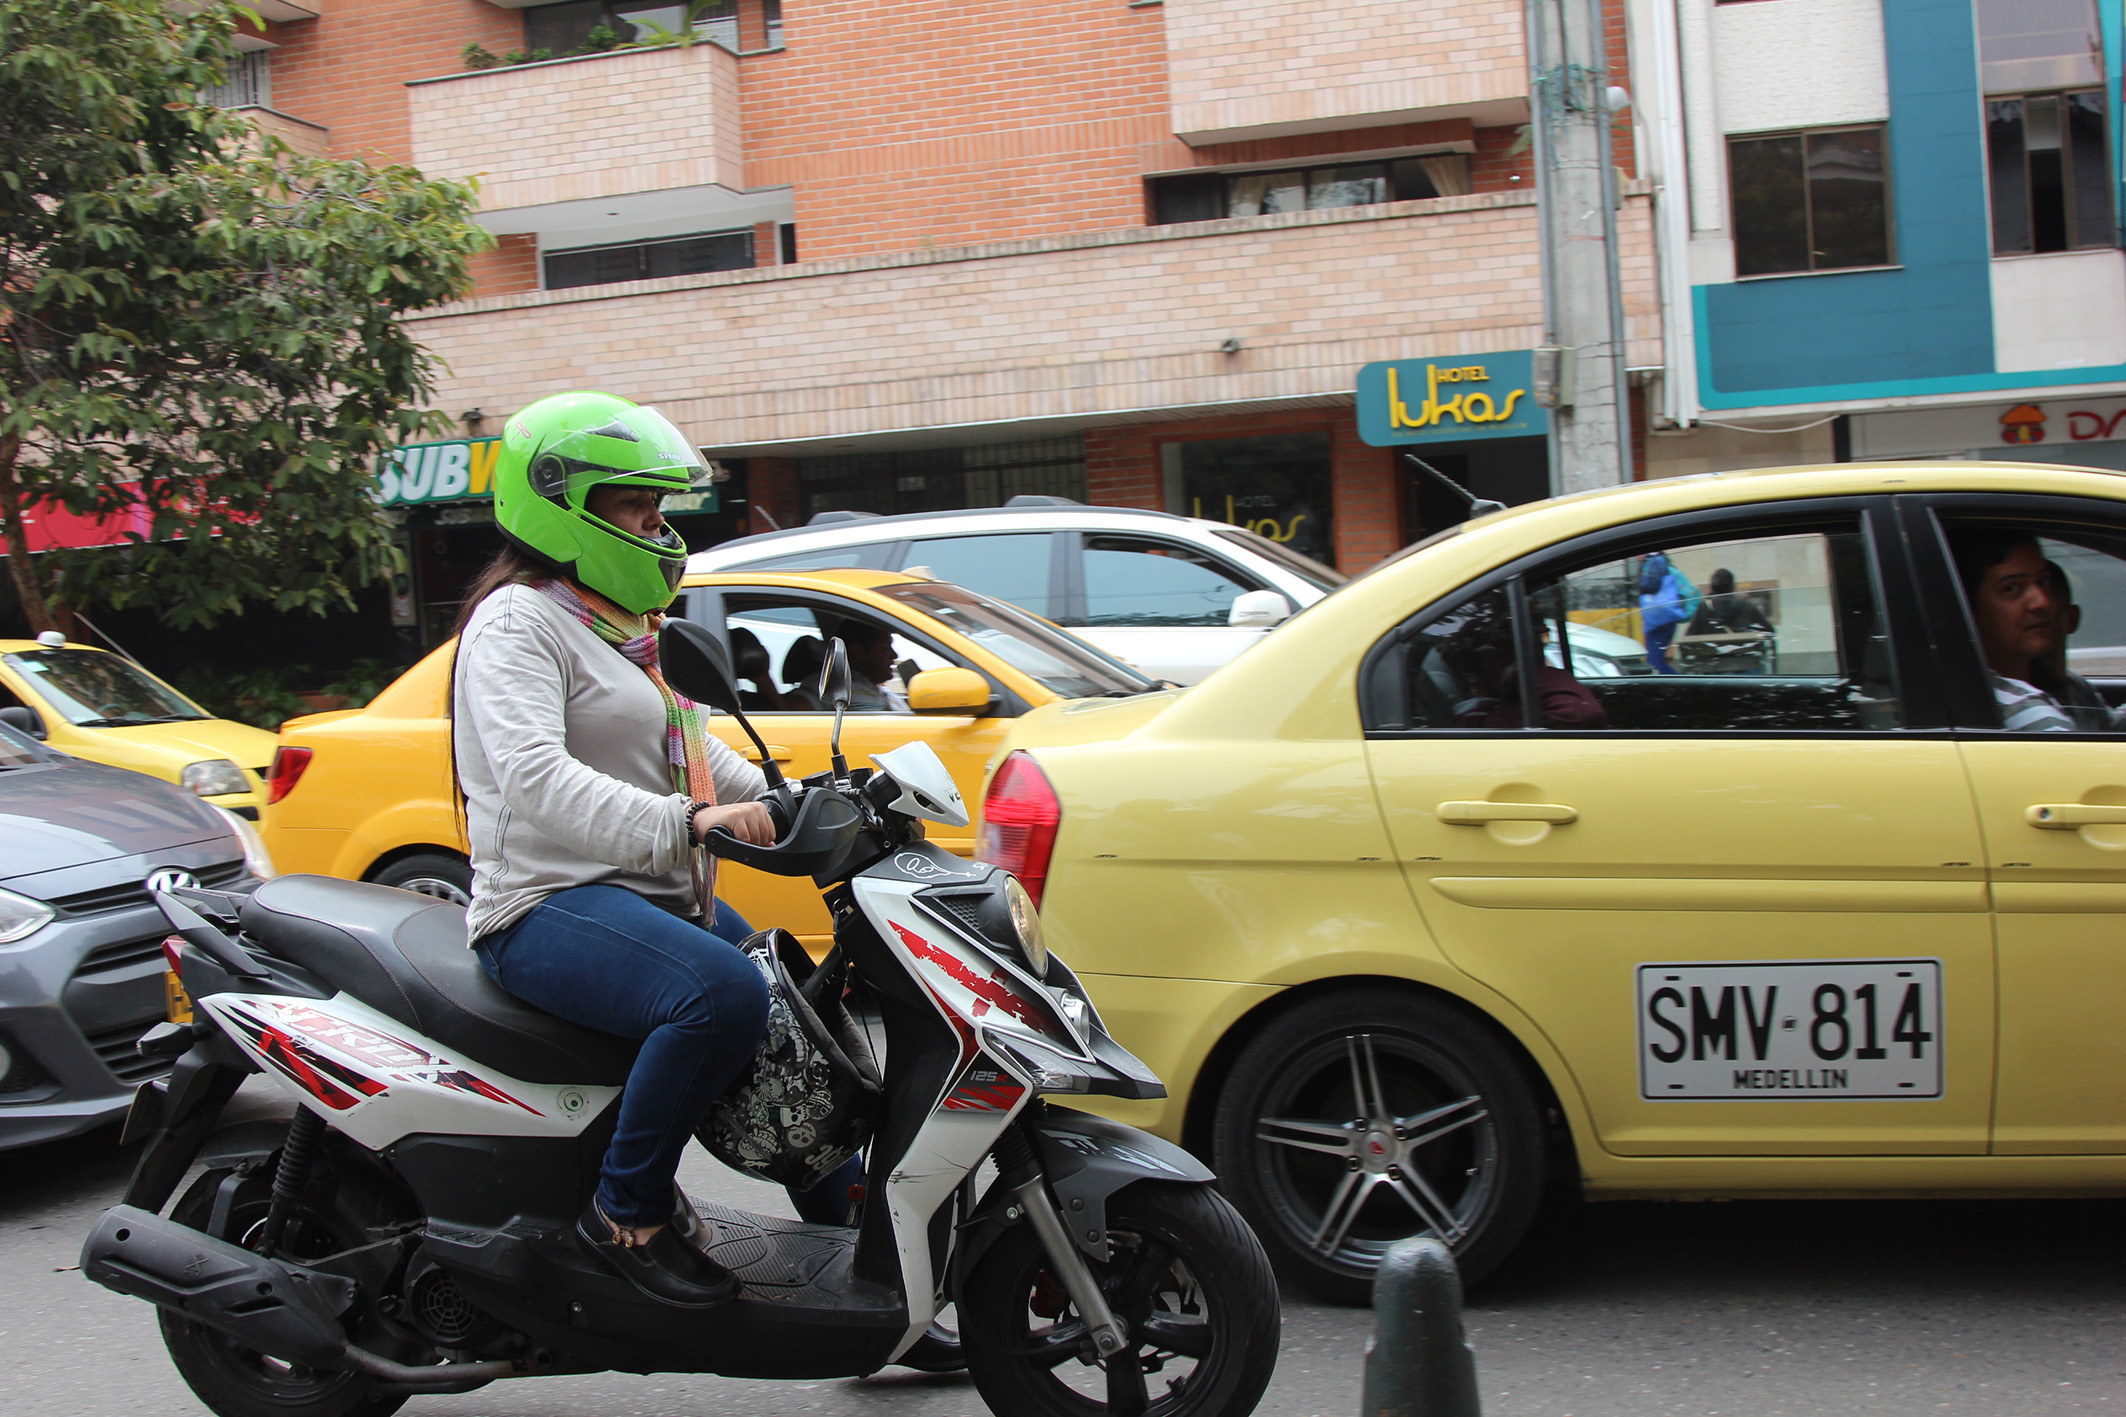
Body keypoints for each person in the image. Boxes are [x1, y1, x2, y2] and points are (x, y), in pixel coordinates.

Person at [452, 391, 857, 1310]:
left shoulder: (617, 626)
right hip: (545, 904)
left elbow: (691, 754)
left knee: (794, 1012)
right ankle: (627, 1215)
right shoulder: (518, 624)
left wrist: (813, 798)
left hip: (651, 897)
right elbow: (533, 780)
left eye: (657, 507)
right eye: (637, 506)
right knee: (719, 995)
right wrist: (689, 823)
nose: (657, 526)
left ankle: (860, 1250)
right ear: (567, 505)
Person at [1949, 529, 2103, 732]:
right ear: (1968, 609)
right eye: (2012, 588)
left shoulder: (2065, 688)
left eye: (2043, 581)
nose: (2042, 602)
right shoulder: (2030, 716)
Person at [829, 617, 913, 713]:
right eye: (886, 647)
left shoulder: (885, 692)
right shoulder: (831, 688)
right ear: (859, 652)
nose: (895, 655)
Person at [1637, 551, 1697, 675]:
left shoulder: (1655, 562)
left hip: (1660, 620)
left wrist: (1637, 586)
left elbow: (1650, 585)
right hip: (1661, 619)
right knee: (1655, 662)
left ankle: (1681, 686)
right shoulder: (1660, 562)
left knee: (1655, 663)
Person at [1688, 568, 1773, 636]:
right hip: (1743, 655)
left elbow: (1690, 636)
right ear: (1732, 586)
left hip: (1712, 656)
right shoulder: (1745, 604)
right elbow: (1769, 630)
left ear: (1712, 587)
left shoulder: (1704, 607)